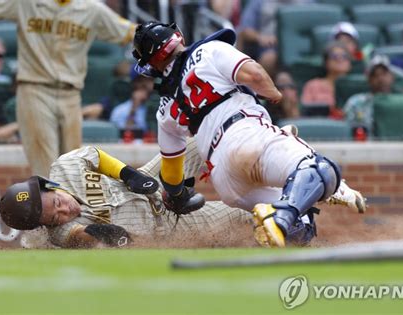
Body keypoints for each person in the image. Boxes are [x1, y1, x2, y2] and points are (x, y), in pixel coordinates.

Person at [132, 21, 366, 248]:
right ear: (177, 37)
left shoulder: (163, 110)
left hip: (224, 178)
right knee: (322, 169)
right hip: (244, 135)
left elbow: (172, 176)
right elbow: (254, 75)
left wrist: (178, 195)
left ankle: (284, 216)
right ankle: (300, 205)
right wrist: (273, 93)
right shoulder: (207, 50)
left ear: (151, 65)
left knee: (302, 225)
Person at [0, 0, 136, 177]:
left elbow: (130, 32)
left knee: (74, 166)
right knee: (46, 169)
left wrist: (165, 38)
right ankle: (48, 203)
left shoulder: (91, 8)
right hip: (35, 88)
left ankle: (68, 203)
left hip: (71, 93)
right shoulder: (27, 3)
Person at [0, 139, 252, 248]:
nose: (65, 211)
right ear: (46, 226)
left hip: (148, 180)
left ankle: (271, 148)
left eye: (57, 202)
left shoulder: (64, 167)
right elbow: (82, 236)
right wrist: (100, 235)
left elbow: (95, 156)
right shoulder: (60, 234)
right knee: (243, 214)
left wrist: (129, 175)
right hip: (165, 223)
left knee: (200, 141)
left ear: (49, 186)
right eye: (55, 217)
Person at [343, 55, 395, 138]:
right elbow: (347, 130)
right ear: (369, 79)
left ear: (392, 76)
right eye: (375, 75)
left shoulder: (401, 103)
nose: (380, 79)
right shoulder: (355, 102)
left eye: (384, 74)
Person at [300, 41, 351, 119]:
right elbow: (306, 112)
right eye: (334, 56)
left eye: (344, 56)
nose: (340, 59)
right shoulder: (313, 85)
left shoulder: (356, 85)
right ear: (326, 62)